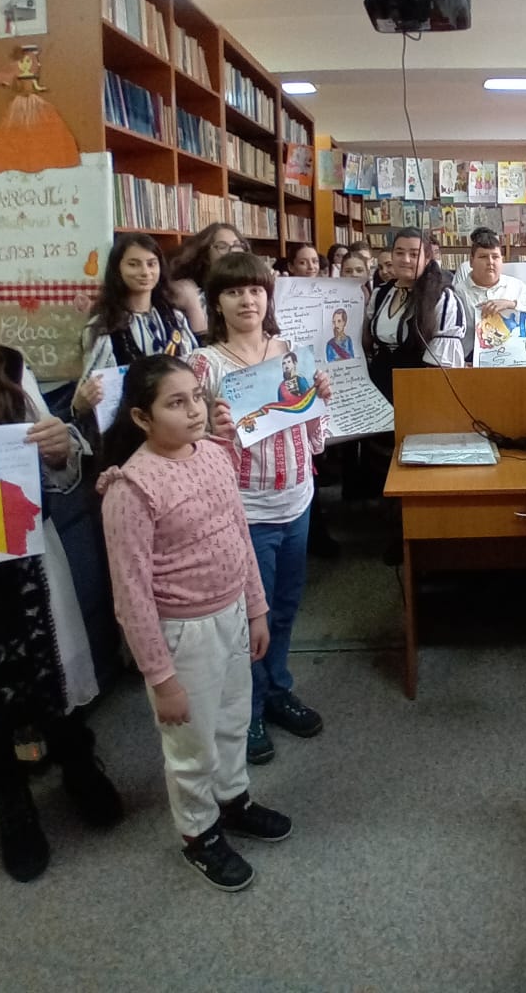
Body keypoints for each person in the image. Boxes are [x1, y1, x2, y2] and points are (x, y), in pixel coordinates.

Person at [98, 357, 290, 892]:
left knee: (231, 721)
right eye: (175, 403)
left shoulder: (214, 453)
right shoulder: (131, 488)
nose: (194, 411)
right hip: (183, 634)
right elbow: (131, 595)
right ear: (142, 417)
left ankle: (232, 800)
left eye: (197, 397)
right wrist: (162, 678)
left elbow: (238, 533)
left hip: (231, 613)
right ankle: (198, 832)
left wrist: (256, 608)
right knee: (191, 744)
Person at [0, 262, 121, 882]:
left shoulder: (6, 367)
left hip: (22, 552)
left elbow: (56, 466)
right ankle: (10, 801)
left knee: (49, 670)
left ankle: (78, 764)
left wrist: (60, 449)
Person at [188, 252, 331, 766]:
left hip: (297, 499)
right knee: (252, 616)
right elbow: (186, 446)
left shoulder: (289, 352)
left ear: (268, 297)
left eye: (255, 290)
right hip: (244, 511)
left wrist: (319, 400)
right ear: (216, 303)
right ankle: (246, 712)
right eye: (233, 292)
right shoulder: (205, 365)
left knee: (286, 605)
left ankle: (276, 690)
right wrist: (211, 430)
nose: (247, 300)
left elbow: (313, 438)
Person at [73, 233, 199, 419]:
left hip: (178, 419)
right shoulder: (103, 327)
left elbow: (194, 369)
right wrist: (83, 401)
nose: (145, 272)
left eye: (151, 264)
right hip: (129, 423)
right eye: (134, 264)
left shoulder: (176, 319)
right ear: (117, 269)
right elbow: (88, 395)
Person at [365, 228, 467, 404]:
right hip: (377, 390)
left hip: (418, 392)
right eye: (399, 253)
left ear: (427, 259)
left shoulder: (442, 298)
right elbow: (366, 343)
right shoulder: (380, 293)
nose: (405, 260)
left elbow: (442, 368)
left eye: (414, 254)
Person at [453, 228, 526, 358]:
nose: (490, 262)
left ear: (502, 260)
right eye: (483, 257)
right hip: (470, 361)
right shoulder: (457, 293)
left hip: (515, 358)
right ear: (471, 262)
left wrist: (512, 305)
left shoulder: (516, 287)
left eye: (495, 257)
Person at [169, 222, 251, 337]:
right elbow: (202, 346)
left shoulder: (256, 288)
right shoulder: (192, 293)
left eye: (237, 245)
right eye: (222, 247)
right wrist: (194, 307)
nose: (232, 251)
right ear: (206, 255)